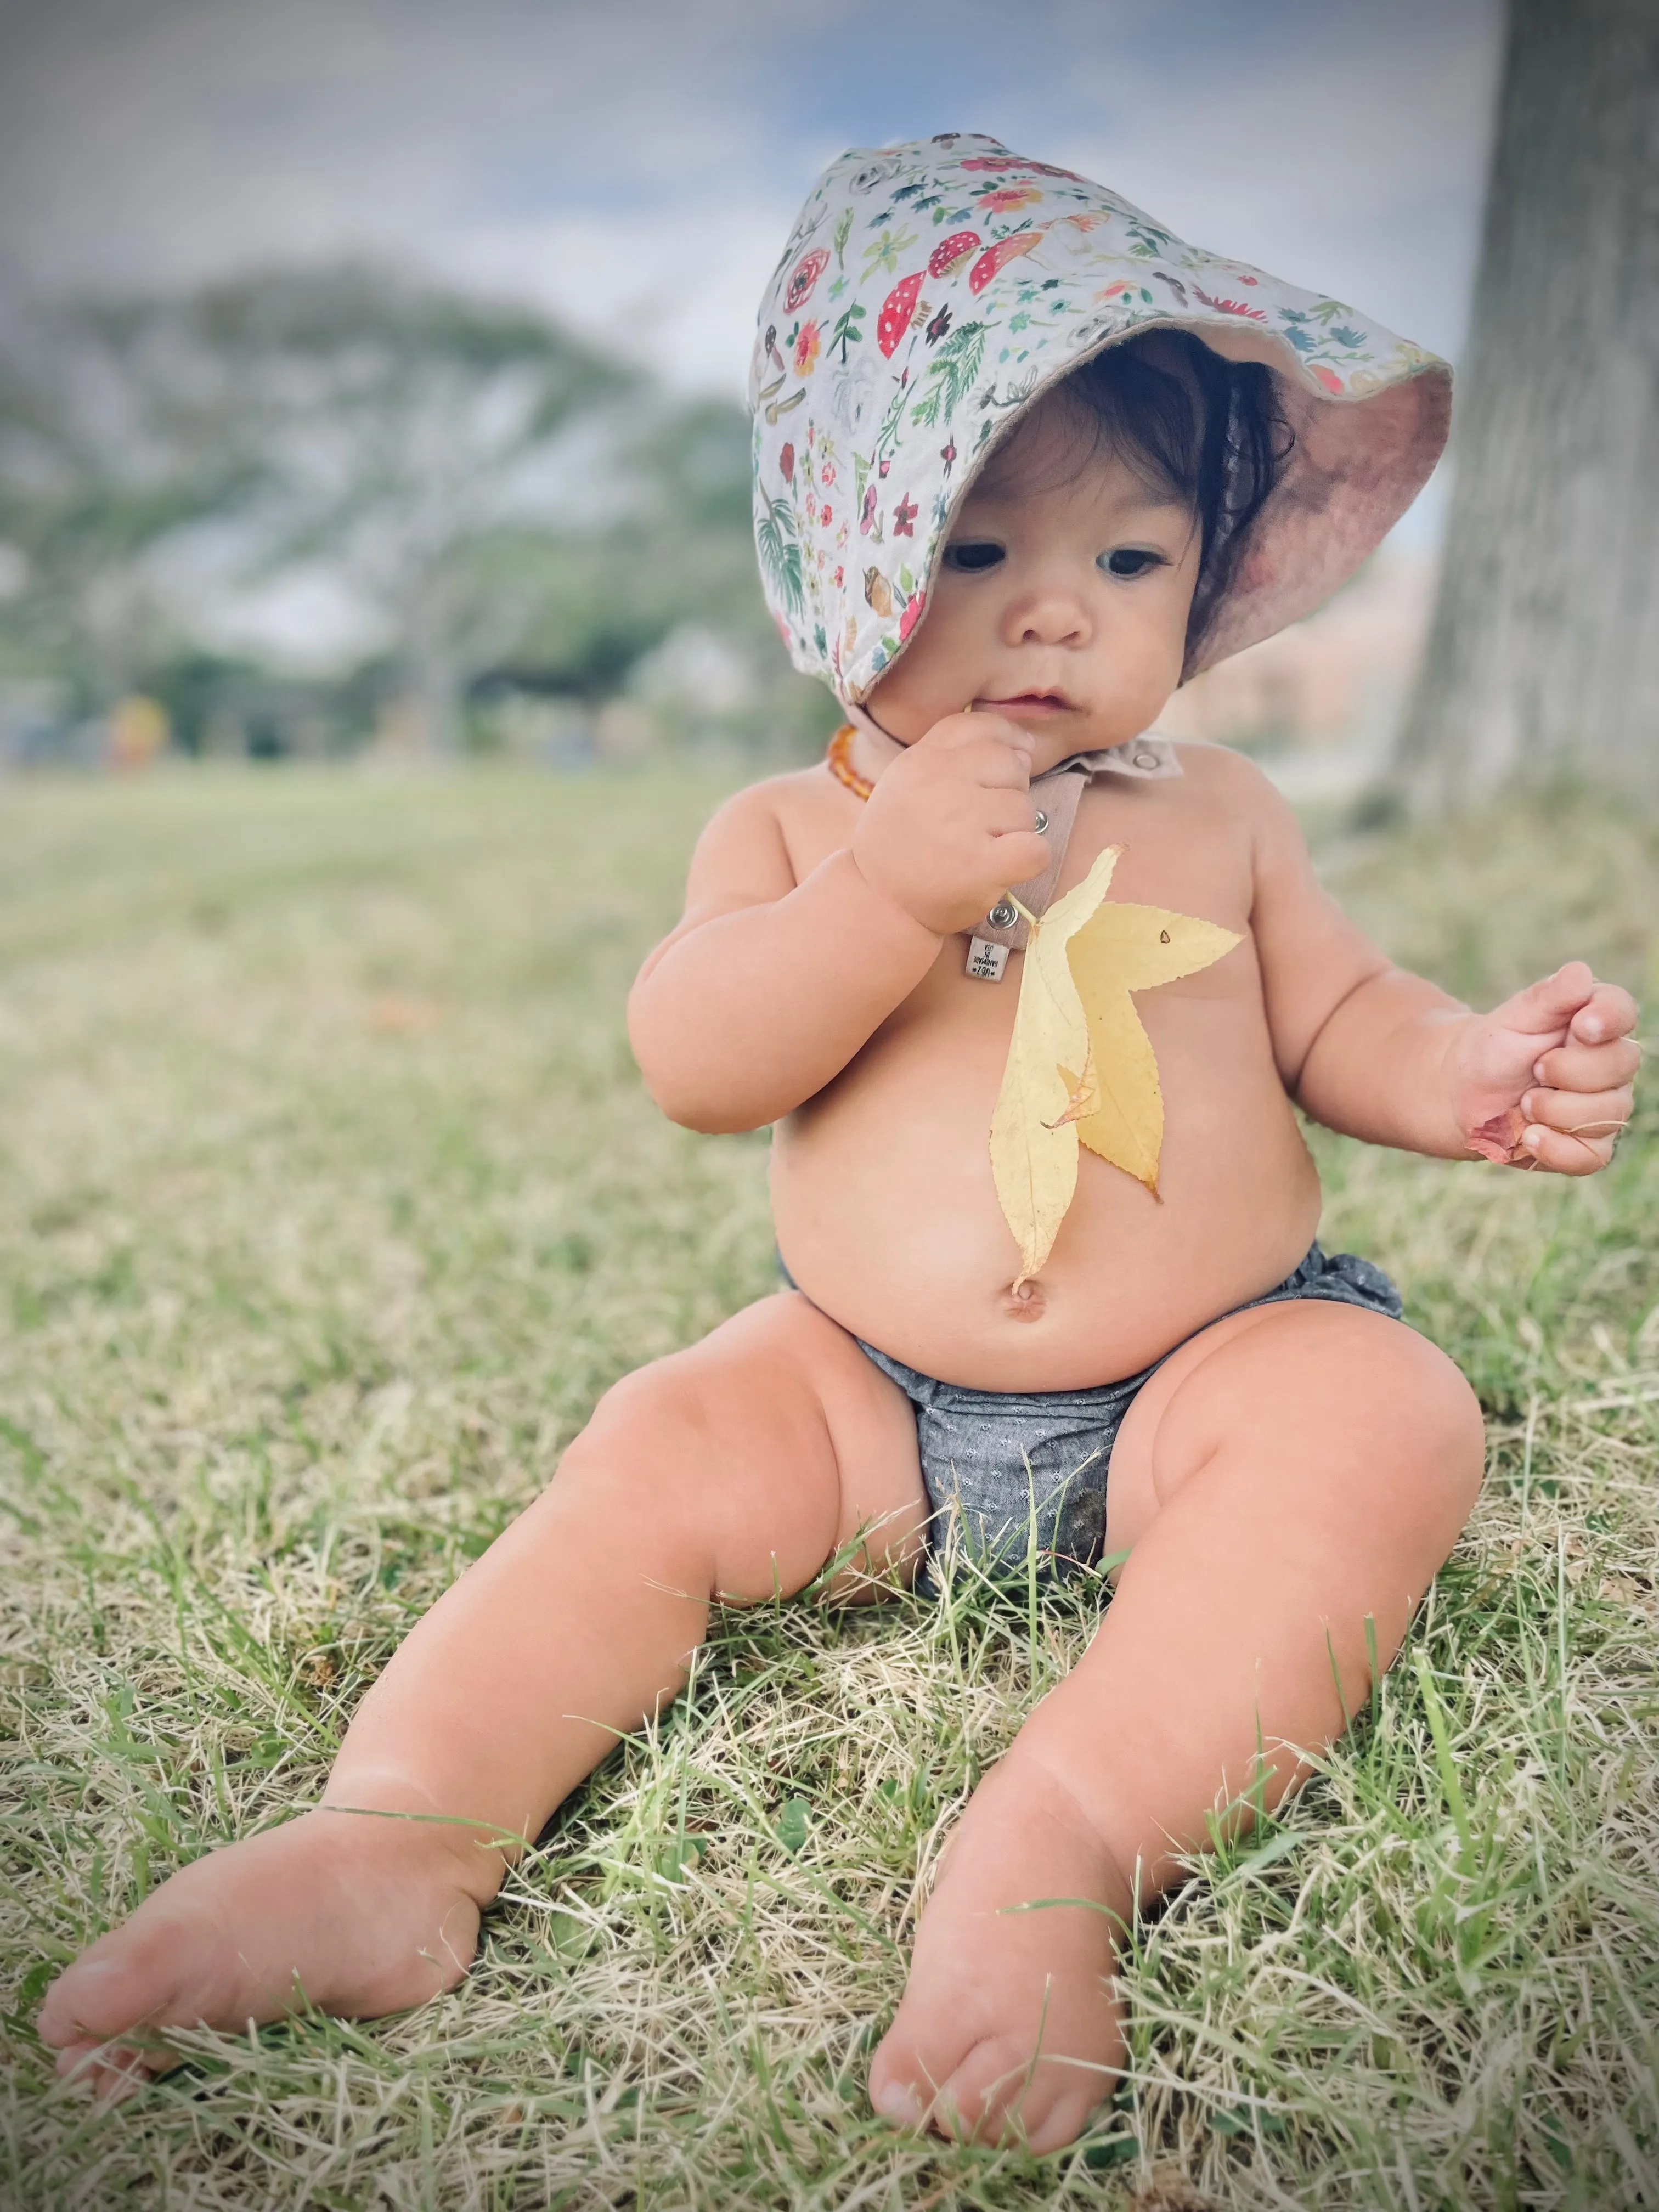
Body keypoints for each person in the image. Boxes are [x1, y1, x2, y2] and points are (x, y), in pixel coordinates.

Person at [39, 137, 1640, 2153]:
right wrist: (881, 899)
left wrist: (1471, 1069)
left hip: (1203, 1378)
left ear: (1203, 587)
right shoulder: (793, 831)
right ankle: (397, 1841)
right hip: (863, 1401)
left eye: (1132, 565)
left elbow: (1337, 1016)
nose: (1056, 615)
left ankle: (1056, 1842)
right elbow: (697, 1055)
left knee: (1383, 1413)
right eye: (978, 552)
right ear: (850, 550)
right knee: (656, 1450)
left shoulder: (1221, 811)